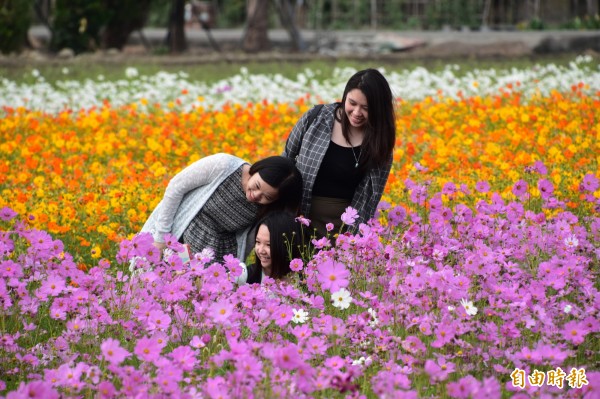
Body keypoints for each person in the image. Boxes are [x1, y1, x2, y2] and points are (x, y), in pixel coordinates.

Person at [283, 68, 396, 237]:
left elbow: (372, 198)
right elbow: (285, 160)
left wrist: (354, 240)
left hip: (342, 231)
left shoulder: (380, 143)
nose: (357, 113)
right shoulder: (316, 118)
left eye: (366, 108)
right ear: (344, 97)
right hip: (299, 218)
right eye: (352, 103)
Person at [140, 153, 303, 262]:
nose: (256, 195)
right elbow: (176, 188)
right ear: (257, 169)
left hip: (217, 256)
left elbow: (253, 242)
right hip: (178, 239)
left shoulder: (268, 210)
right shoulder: (224, 166)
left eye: (266, 197)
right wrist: (161, 237)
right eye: (257, 185)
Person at [236, 211, 304, 285]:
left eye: (268, 245)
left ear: (287, 245)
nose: (261, 250)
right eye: (258, 242)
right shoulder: (243, 274)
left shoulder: (306, 278)